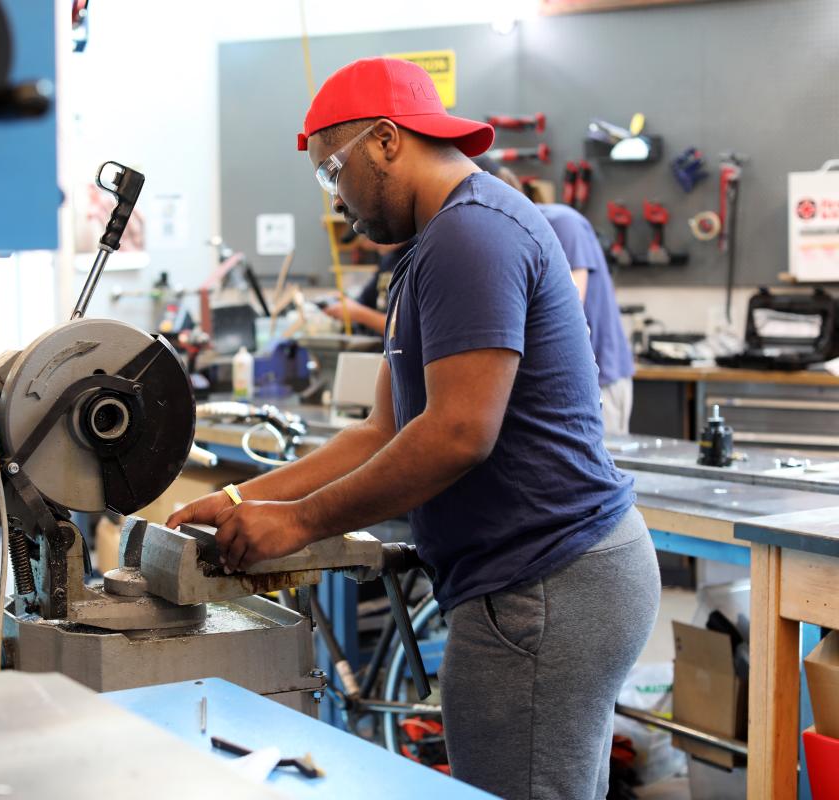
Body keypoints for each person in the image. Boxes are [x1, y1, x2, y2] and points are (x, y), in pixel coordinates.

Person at [168, 57, 659, 800]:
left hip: (544, 584)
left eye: (333, 173)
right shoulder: (433, 246)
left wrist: (297, 523)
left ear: (387, 140)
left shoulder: (471, 235)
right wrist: (245, 502)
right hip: (544, 578)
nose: (336, 202)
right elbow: (381, 431)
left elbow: (460, 433)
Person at [474, 157, 636, 434]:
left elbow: (567, 311)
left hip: (597, 382)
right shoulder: (507, 242)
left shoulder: (562, 224)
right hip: (551, 387)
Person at [322, 237, 415, 335]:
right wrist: (343, 300)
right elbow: (364, 300)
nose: (369, 244)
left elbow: (405, 328)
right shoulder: (387, 258)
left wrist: (358, 313)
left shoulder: (414, 257)